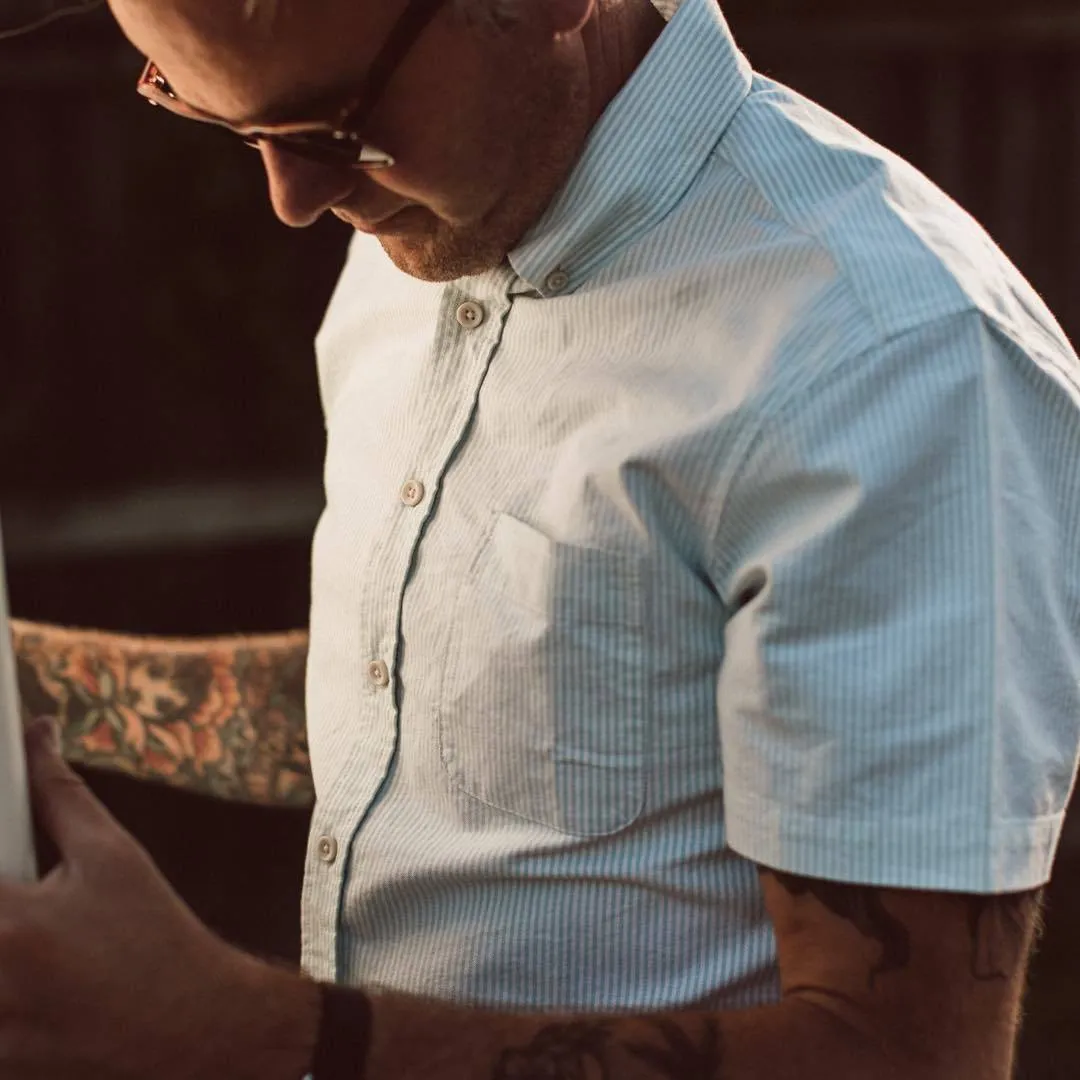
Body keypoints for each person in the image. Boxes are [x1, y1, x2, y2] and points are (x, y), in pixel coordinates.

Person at [5, 0, 1080, 1076]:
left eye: (331, 123)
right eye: (215, 118)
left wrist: (246, 1032)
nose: (294, 200)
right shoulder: (414, 231)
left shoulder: (896, 360)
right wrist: (24, 688)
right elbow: (429, 708)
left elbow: (904, 1058)